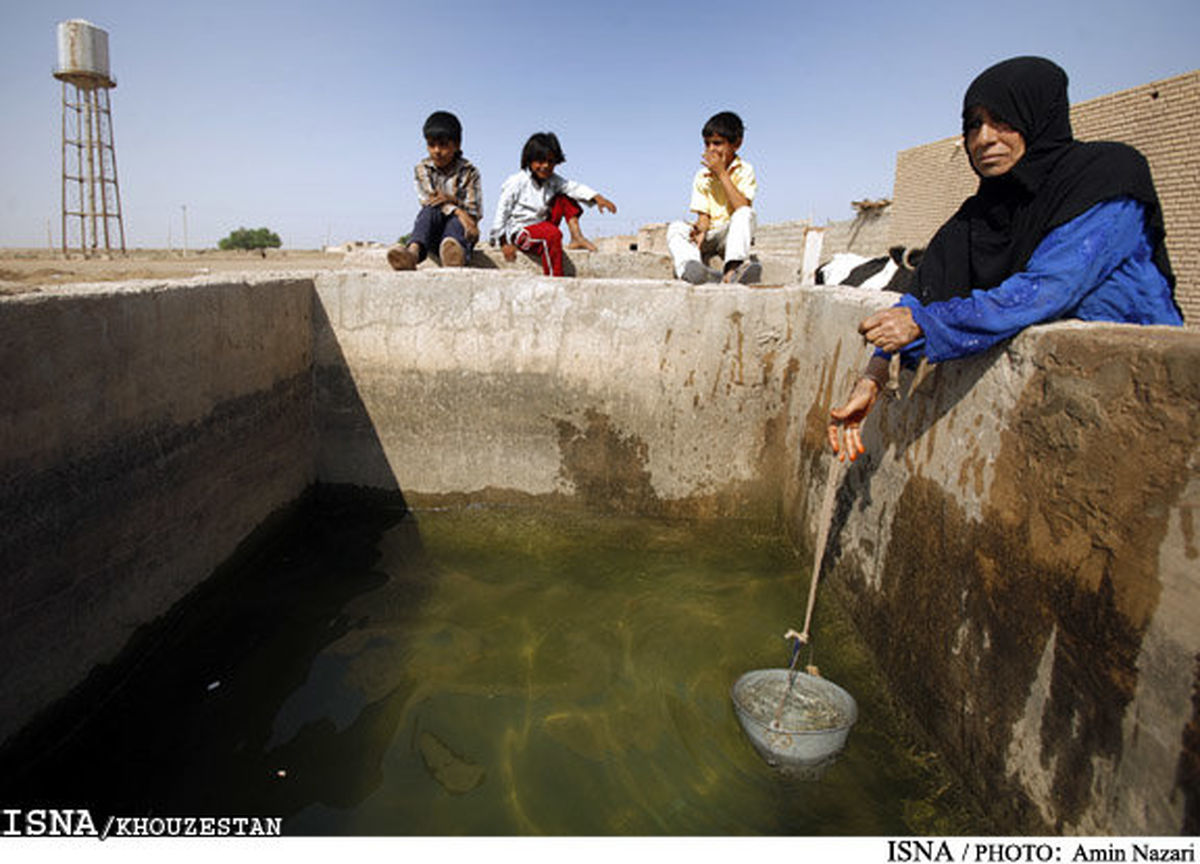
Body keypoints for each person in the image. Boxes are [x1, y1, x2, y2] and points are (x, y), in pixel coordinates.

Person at [828, 56, 1184, 462]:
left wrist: (924, 324)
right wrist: (873, 376)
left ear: (1037, 117)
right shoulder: (977, 216)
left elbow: (1045, 289)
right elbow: (920, 296)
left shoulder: (1106, 176)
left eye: (1003, 120)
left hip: (1147, 399)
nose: (983, 138)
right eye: (973, 124)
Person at [489, 132, 617, 277]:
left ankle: (577, 237)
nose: (545, 166)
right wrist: (503, 242)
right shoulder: (516, 182)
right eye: (540, 161)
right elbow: (502, 211)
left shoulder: (553, 180)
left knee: (564, 197)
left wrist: (597, 197)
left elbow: (573, 187)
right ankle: (554, 279)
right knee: (552, 235)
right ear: (529, 161)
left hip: (544, 226)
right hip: (523, 233)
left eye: (550, 162)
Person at [667, 111, 761, 285]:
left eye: (717, 143)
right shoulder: (702, 176)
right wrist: (699, 229)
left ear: (737, 144)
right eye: (707, 144)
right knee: (676, 228)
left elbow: (742, 207)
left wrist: (721, 174)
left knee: (746, 213)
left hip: (730, 235)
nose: (711, 149)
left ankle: (732, 271)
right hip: (711, 234)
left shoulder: (745, 170)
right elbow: (704, 217)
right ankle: (691, 268)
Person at [388, 111, 483, 271]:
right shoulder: (423, 169)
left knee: (455, 225)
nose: (437, 151)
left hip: (462, 235)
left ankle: (453, 255)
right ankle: (412, 253)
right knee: (429, 211)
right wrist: (459, 210)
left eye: (443, 144)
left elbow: (473, 213)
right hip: (432, 234)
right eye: (431, 145)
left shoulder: (469, 172)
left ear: (457, 144)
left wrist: (451, 203)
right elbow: (430, 200)